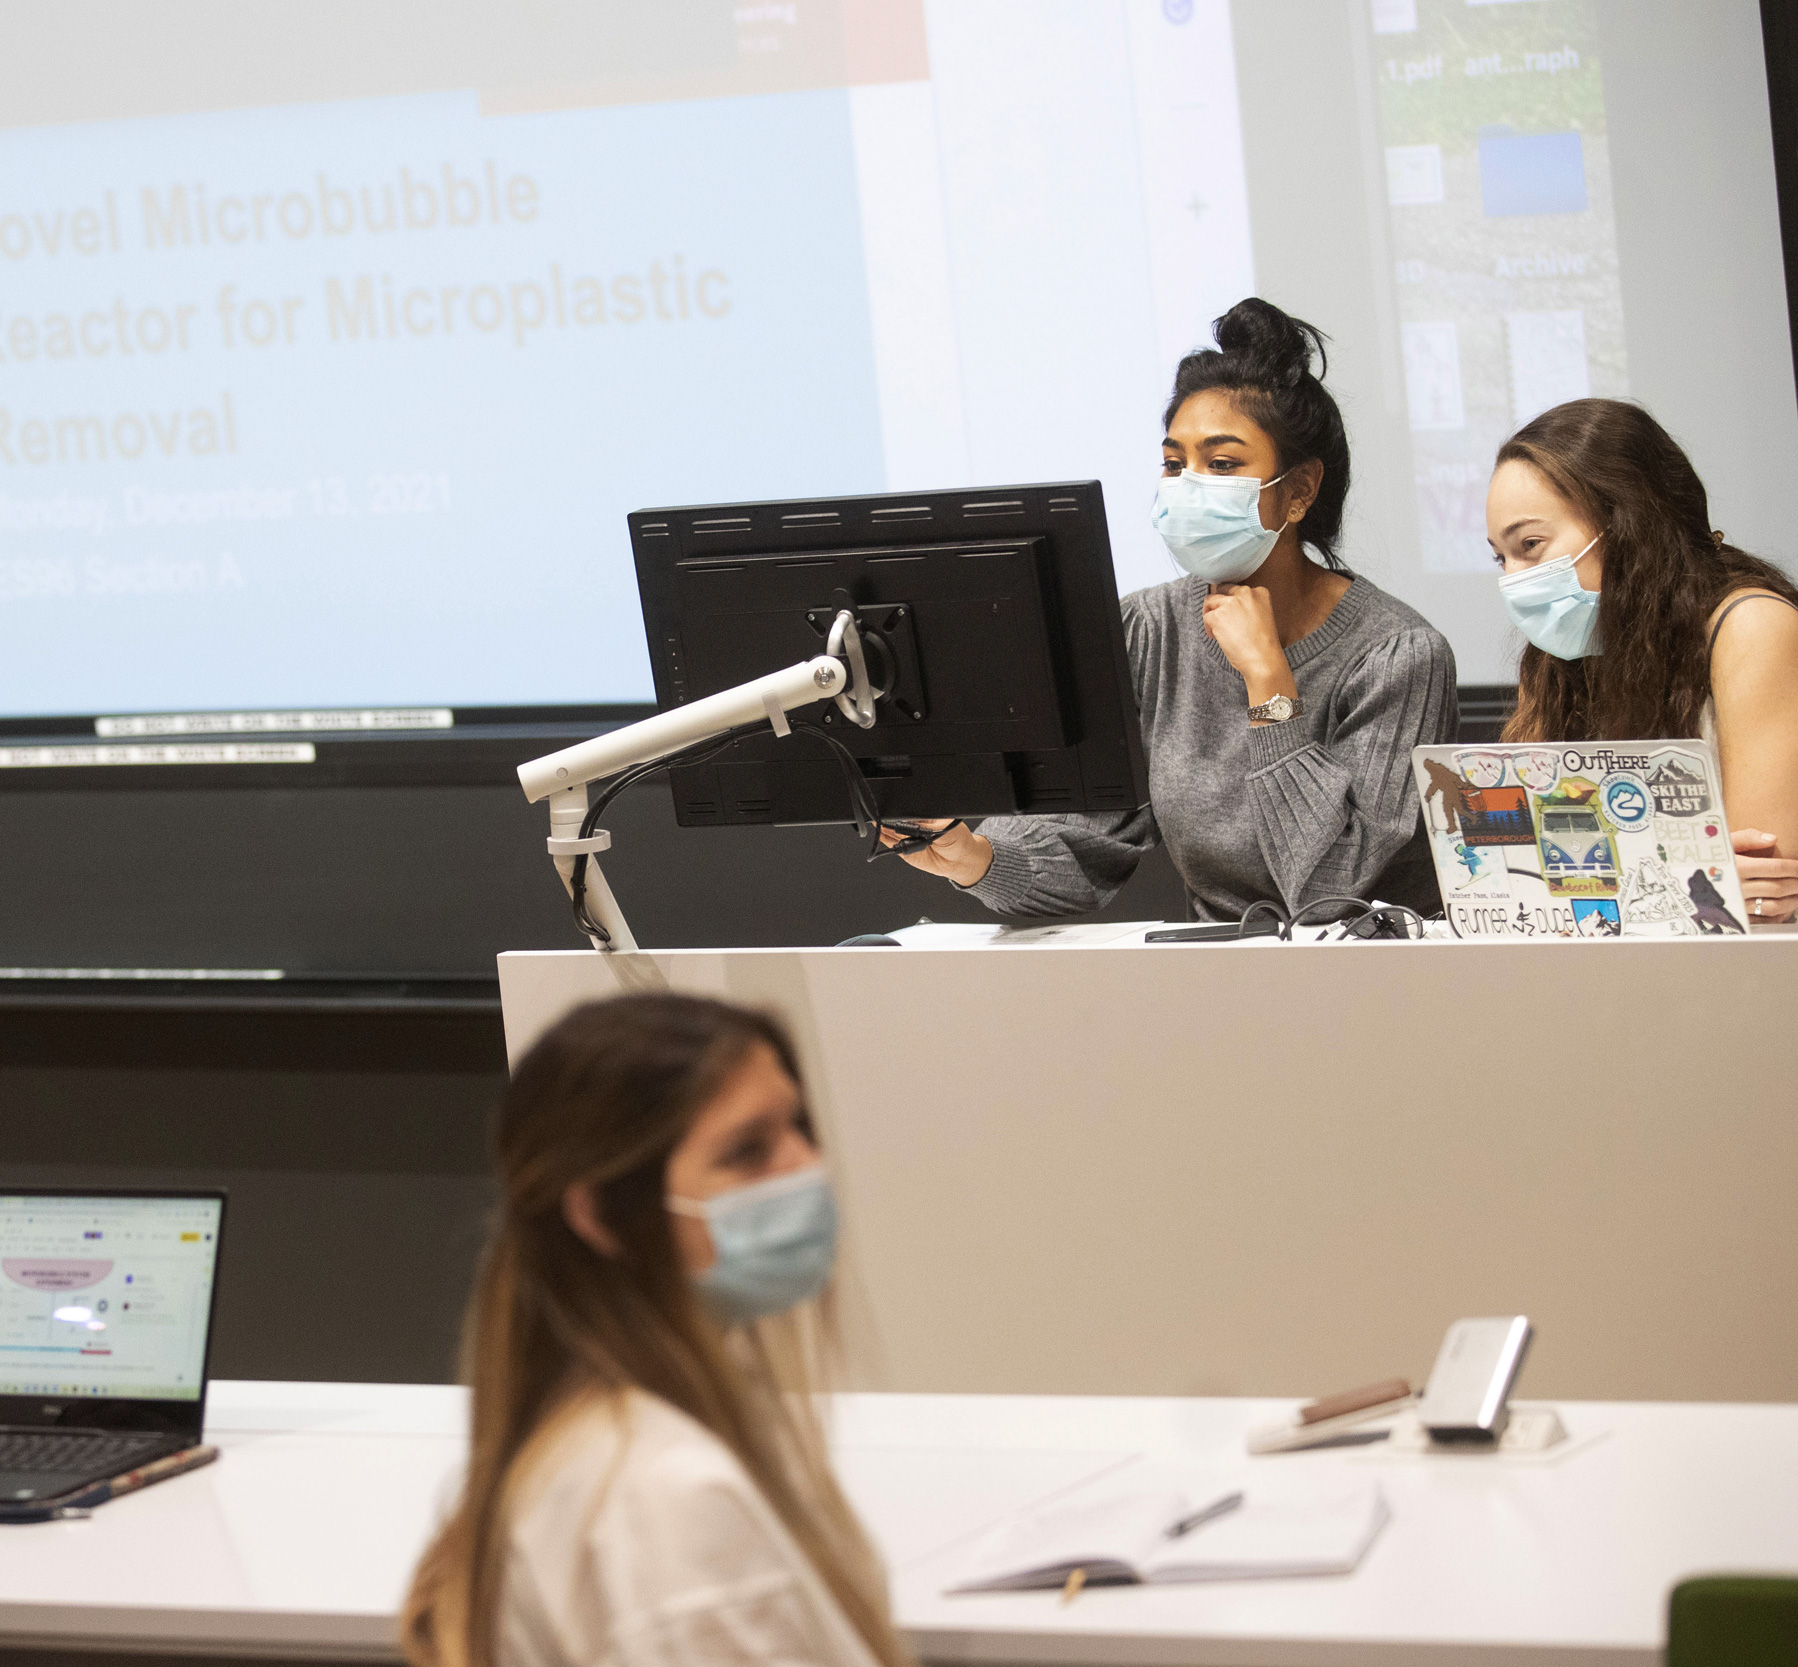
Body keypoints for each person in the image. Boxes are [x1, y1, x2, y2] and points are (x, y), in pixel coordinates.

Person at [886, 298, 1459, 922]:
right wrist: (972, 856)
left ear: (1298, 491)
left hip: (1381, 979)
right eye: (1173, 463)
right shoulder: (1149, 630)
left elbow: (1328, 891)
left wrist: (1270, 687)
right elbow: (1086, 840)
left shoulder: (1397, 654)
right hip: (1216, 980)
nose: (1187, 485)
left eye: (1221, 464)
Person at [399, 992, 910, 1667]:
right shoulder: (667, 1496)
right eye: (748, 1150)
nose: (806, 1167)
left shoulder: (629, 1433)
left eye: (800, 1127)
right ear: (601, 1215)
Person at [1486, 398, 1798, 919]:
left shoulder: (1754, 627)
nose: (1513, 578)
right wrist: (1684, 880)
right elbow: (1522, 872)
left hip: (1788, 978)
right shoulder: (1566, 660)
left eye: (1530, 544)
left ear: (1625, 521)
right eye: (1500, 556)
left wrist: (1602, 882)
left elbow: (1761, 902)